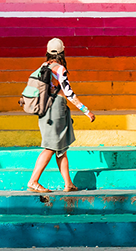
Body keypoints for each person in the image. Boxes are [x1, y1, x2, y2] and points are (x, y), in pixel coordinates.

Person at [27, 38, 96, 193]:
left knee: (61, 148)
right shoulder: (60, 69)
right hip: (55, 109)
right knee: (51, 147)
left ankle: (68, 183)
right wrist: (86, 110)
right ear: (62, 52)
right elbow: (69, 94)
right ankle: (33, 181)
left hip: (44, 109)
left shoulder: (42, 67)